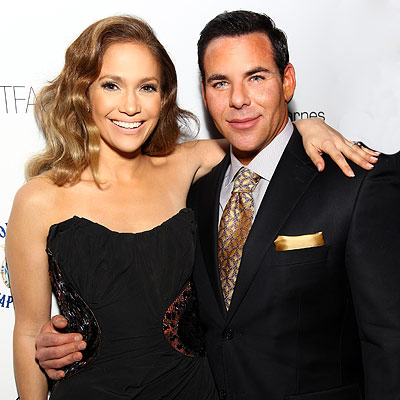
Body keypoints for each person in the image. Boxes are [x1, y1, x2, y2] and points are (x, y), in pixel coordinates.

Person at [27, 13, 377, 400]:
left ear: (163, 97)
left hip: (191, 389)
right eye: (112, 85)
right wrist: (45, 348)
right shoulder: (38, 199)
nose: (130, 105)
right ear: (83, 92)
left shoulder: (186, 166)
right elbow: (28, 332)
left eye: (147, 87)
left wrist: (308, 126)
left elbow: (262, 137)